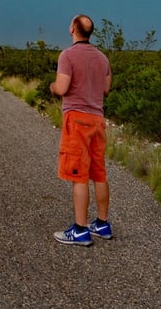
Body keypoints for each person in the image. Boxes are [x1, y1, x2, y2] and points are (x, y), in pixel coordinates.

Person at [49, 13, 112, 246]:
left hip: (76, 119)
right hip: (97, 119)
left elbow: (63, 87)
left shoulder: (67, 55)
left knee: (79, 175)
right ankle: (103, 224)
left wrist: (53, 87)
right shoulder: (103, 58)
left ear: (73, 29)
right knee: (99, 173)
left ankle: (80, 229)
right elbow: (106, 89)